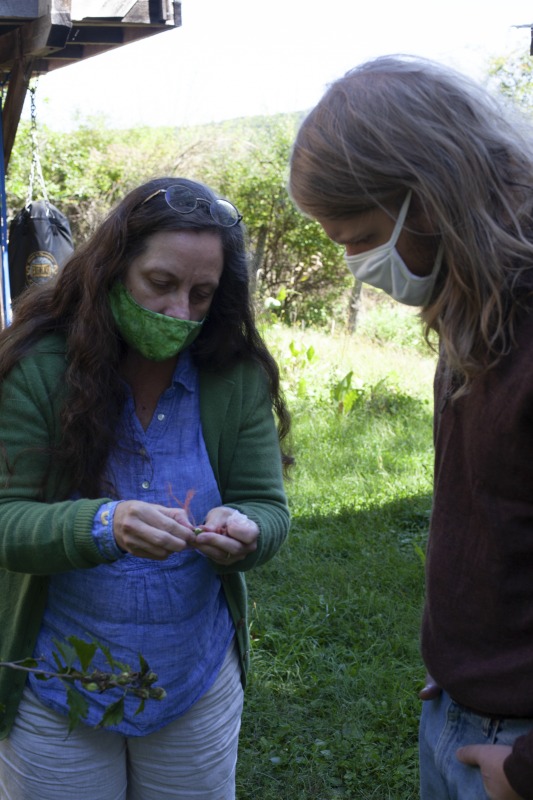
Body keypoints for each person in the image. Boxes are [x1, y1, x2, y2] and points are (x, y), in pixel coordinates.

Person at [288, 55, 533, 800]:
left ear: (425, 201)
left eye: (354, 235)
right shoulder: (474, 307)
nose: (354, 261)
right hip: (465, 709)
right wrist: (461, 662)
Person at [0, 177, 292, 800]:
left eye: (202, 293)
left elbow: (267, 507)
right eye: (160, 284)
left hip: (192, 679)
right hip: (57, 684)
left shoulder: (231, 376)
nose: (180, 312)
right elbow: (5, 521)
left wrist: (249, 531)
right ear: (112, 267)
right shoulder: (38, 366)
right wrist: (104, 525)